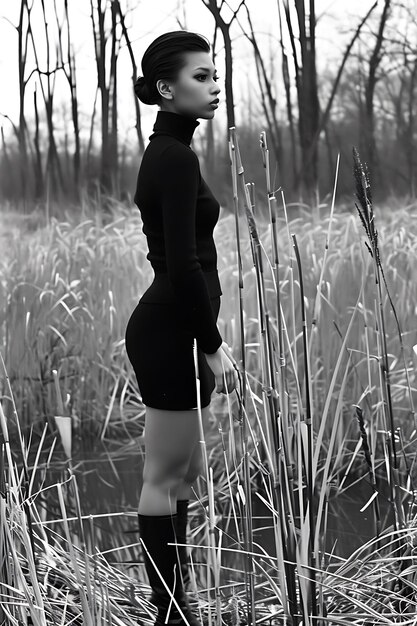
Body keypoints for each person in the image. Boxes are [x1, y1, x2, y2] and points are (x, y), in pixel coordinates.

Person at [124, 30, 239, 626]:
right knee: (165, 475)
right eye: (201, 76)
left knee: (184, 473)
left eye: (214, 74)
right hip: (172, 336)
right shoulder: (171, 158)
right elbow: (183, 265)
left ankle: (178, 601)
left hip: (181, 330)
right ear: (166, 88)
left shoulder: (173, 153)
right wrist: (213, 345)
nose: (214, 85)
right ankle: (168, 611)